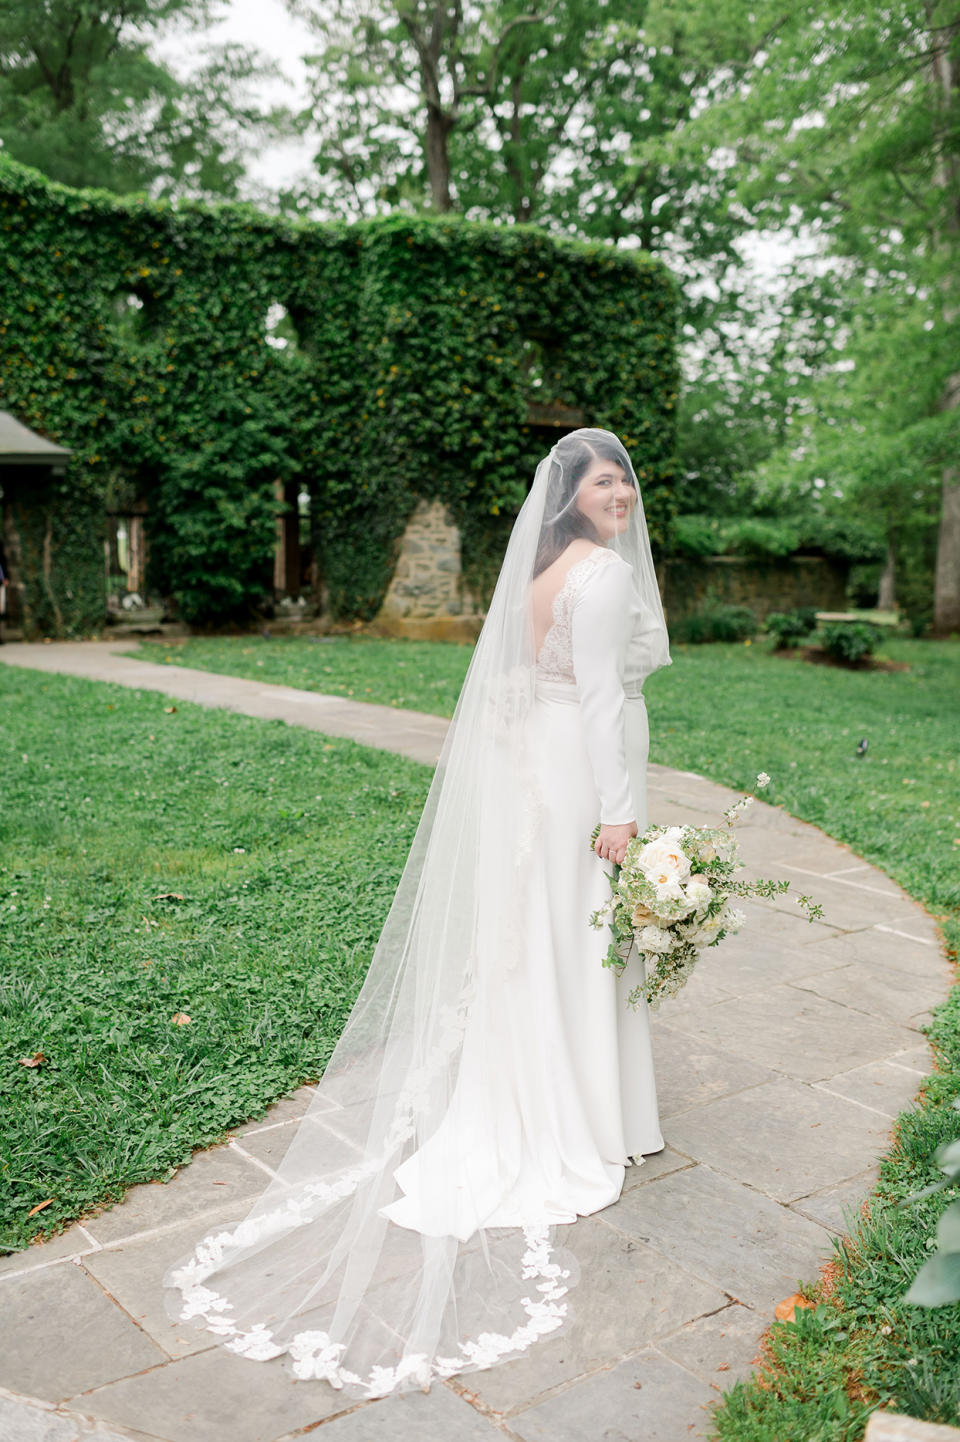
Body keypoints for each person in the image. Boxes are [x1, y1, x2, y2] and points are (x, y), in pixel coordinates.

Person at [163, 428, 673, 1398]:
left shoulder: (541, 574)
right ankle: (579, 1116)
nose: (624, 497)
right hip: (580, 777)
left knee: (541, 938)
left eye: (627, 484)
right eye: (608, 483)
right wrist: (617, 808)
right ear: (572, 495)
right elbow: (602, 697)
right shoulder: (599, 576)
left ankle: (551, 1090)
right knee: (578, 936)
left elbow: (521, 692)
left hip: (540, 771)